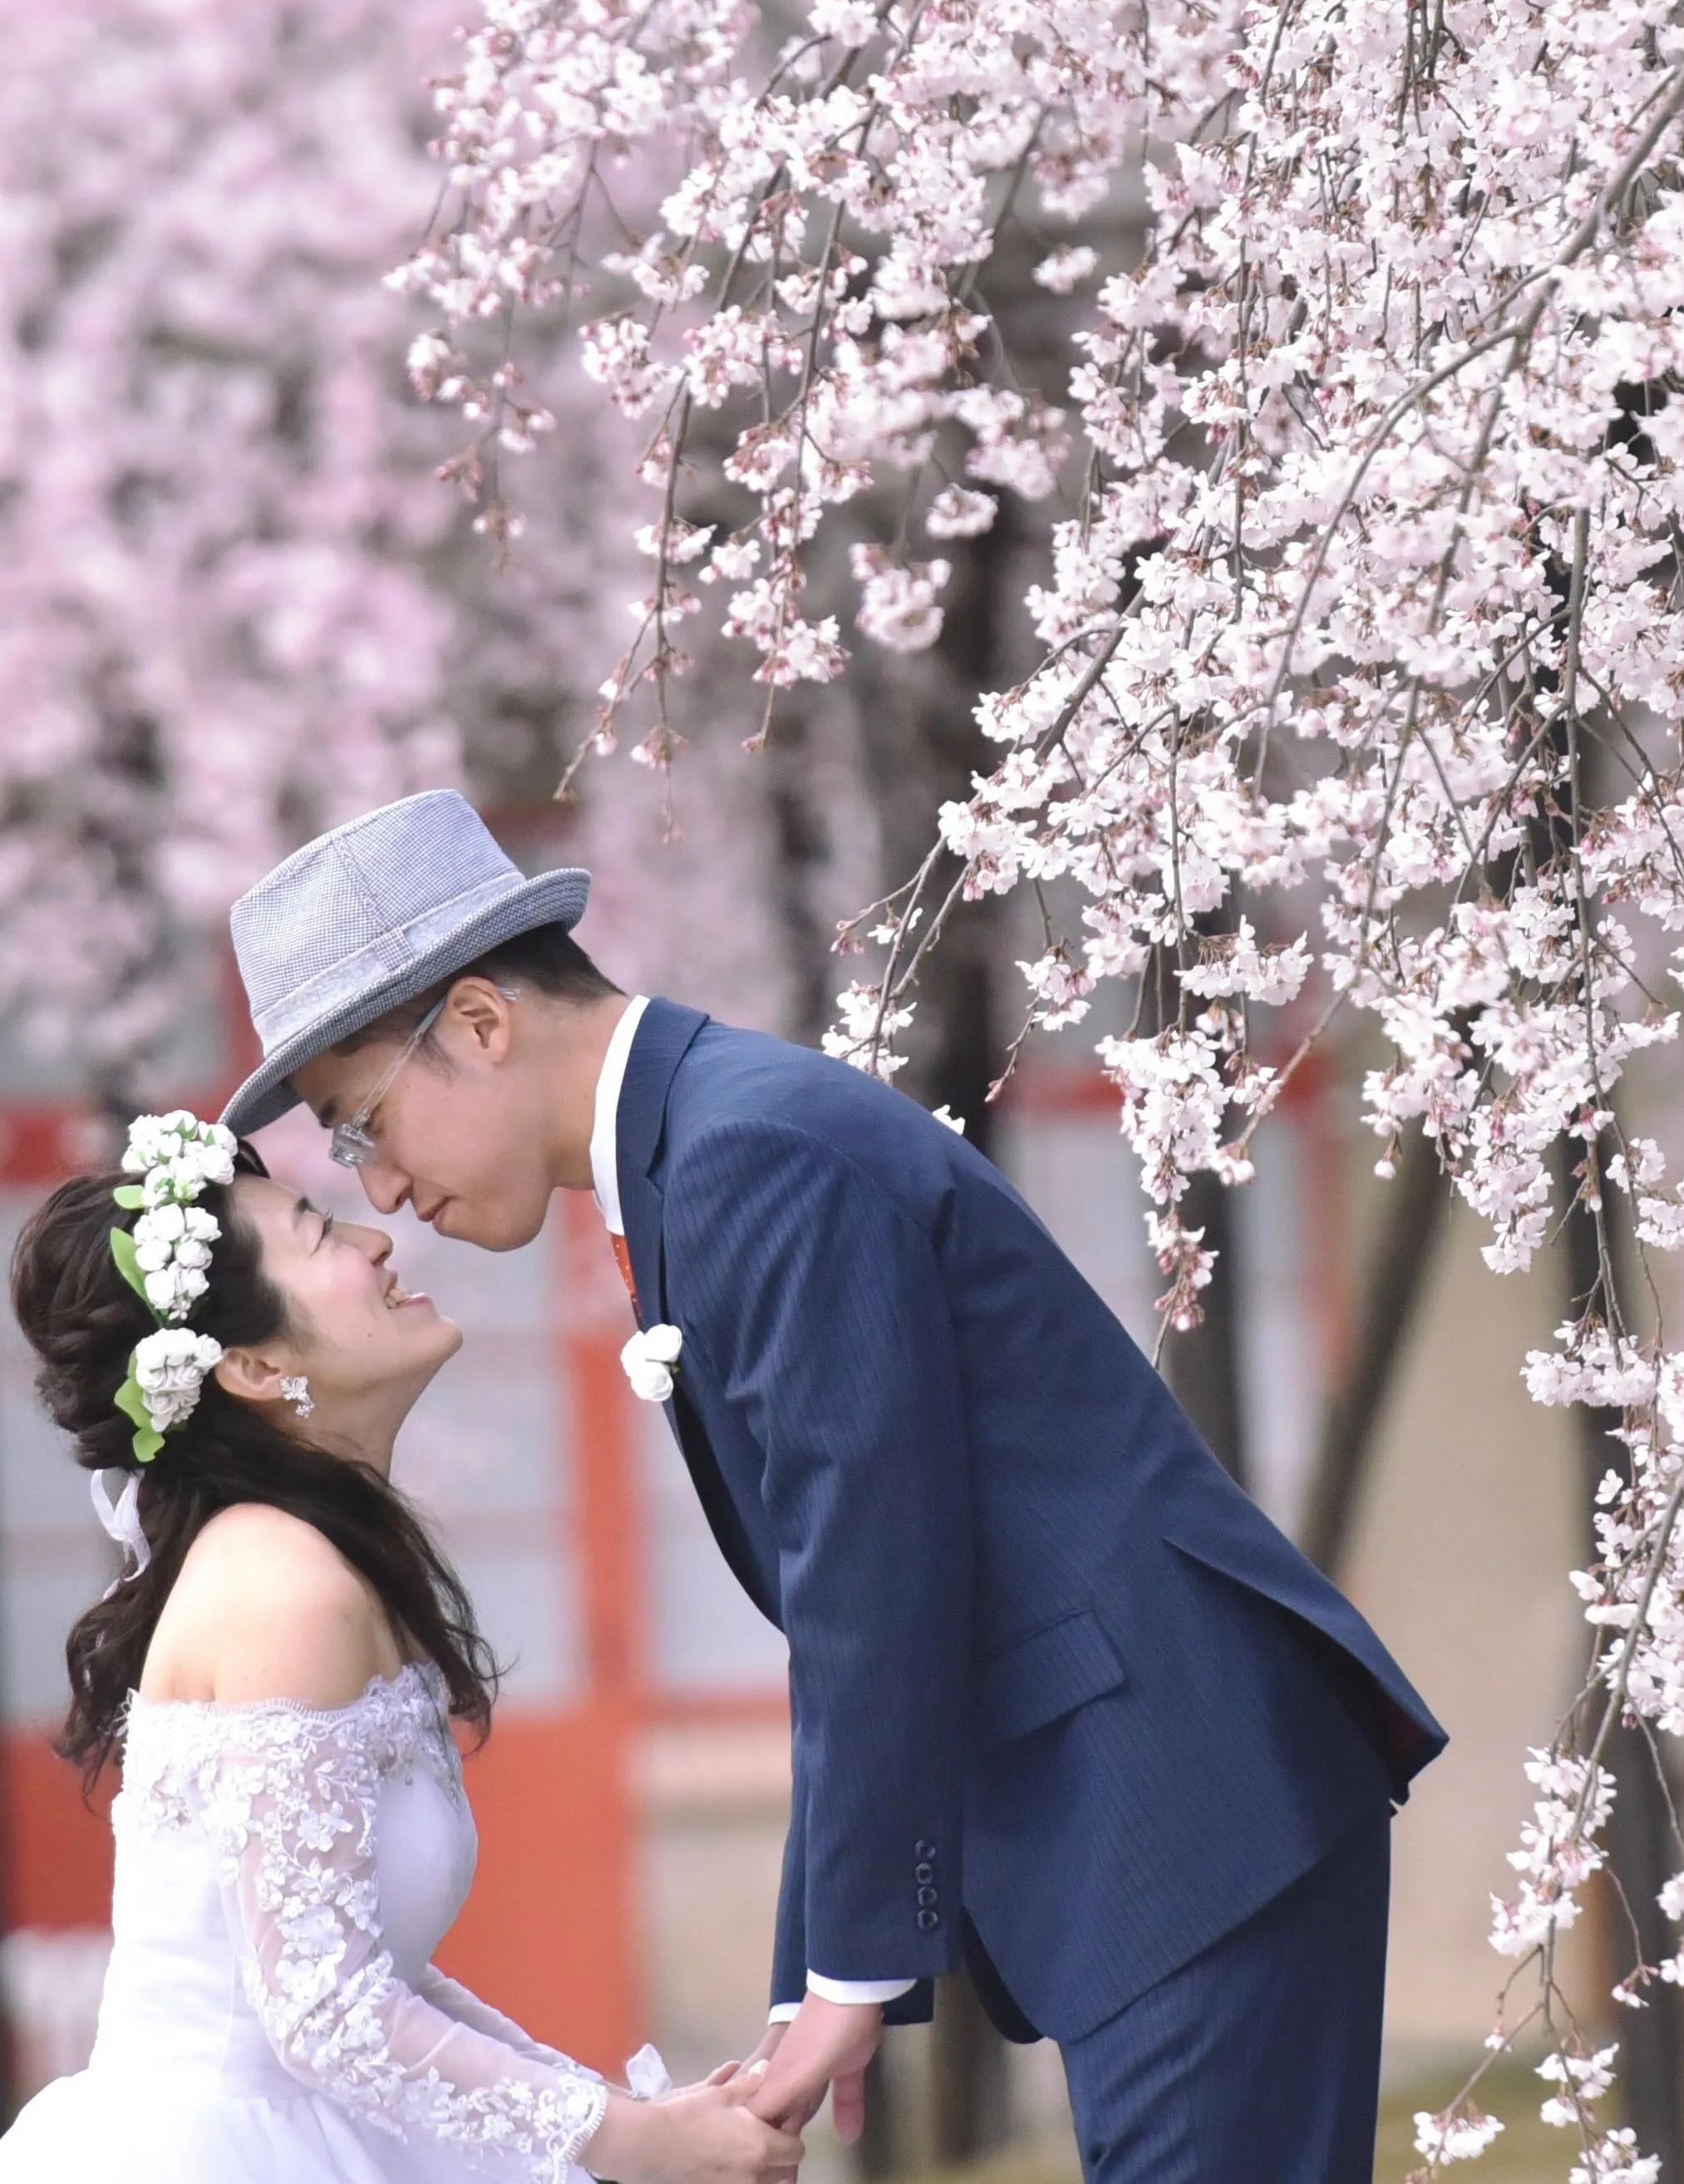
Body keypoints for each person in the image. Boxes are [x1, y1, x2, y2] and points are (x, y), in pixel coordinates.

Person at [224, 789, 1449, 2184]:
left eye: (362, 1125)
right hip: (1153, 1799)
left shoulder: (749, 1151)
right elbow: (845, 1593)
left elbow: (870, 1571)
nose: (378, 1190)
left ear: (483, 1023)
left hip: (1178, 1797)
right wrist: (809, 1981)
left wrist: (850, 1983)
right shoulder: (702, 1148)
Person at [2, 1107, 798, 2184]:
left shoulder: (309, 1560)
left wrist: (611, 2118)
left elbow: (376, 1978)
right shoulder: (282, 1590)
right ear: (244, 1366)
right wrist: (622, 2139)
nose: (376, 1240)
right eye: (322, 1236)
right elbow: (325, 2011)